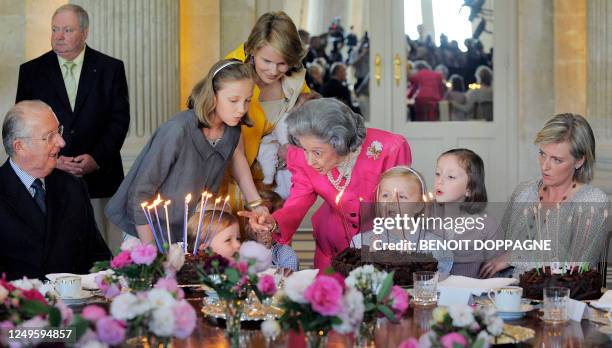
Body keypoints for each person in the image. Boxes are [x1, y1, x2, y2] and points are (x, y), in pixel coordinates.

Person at [105, 59, 268, 245]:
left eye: (247, 101)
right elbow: (139, 195)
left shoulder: (232, 130)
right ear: (212, 96)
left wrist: (257, 206)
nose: (241, 109)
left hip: (187, 234)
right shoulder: (177, 130)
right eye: (233, 100)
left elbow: (238, 162)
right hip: (146, 232)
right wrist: (153, 254)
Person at [242, 98, 412, 269]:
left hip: (380, 250)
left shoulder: (390, 150)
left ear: (339, 141)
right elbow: (296, 204)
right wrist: (273, 222)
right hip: (333, 251)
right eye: (305, 150)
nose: (309, 161)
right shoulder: (303, 156)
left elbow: (400, 208)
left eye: (317, 153)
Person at [15, 4, 130, 250]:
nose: (58, 36)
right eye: (55, 29)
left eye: (67, 30)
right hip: (49, 177)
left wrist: (96, 158)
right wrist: (53, 160)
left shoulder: (111, 68)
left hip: (100, 177)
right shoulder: (31, 71)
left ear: (84, 32)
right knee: (56, 251)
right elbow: (22, 124)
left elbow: (119, 121)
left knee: (103, 256)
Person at [480, 114, 610, 278]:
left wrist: (515, 257)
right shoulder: (524, 192)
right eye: (542, 154)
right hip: (502, 295)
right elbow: (498, 248)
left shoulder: (592, 202)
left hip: (557, 298)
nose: (545, 166)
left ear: (579, 161)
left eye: (557, 160)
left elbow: (578, 269)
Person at [0, 100, 111, 280]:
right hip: (22, 305)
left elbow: (98, 257)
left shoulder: (73, 186)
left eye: (58, 131)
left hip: (77, 303)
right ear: (20, 146)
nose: (61, 142)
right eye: (49, 136)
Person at [223, 11, 313, 211]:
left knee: (277, 241)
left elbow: (309, 130)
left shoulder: (295, 80)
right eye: (267, 61)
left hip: (280, 189)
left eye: (282, 63)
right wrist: (255, 202)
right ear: (252, 50)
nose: (273, 71)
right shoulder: (230, 76)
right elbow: (232, 150)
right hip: (233, 185)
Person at [352, 166, 453, 277]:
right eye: (385, 195)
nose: (392, 201)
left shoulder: (434, 246)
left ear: (418, 206)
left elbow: (438, 283)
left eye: (402, 196)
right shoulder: (361, 242)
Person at [433, 149, 498, 278]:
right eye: (437, 173)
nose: (439, 181)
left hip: (471, 295)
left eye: (450, 177)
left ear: (469, 189)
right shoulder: (424, 216)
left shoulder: (486, 224)